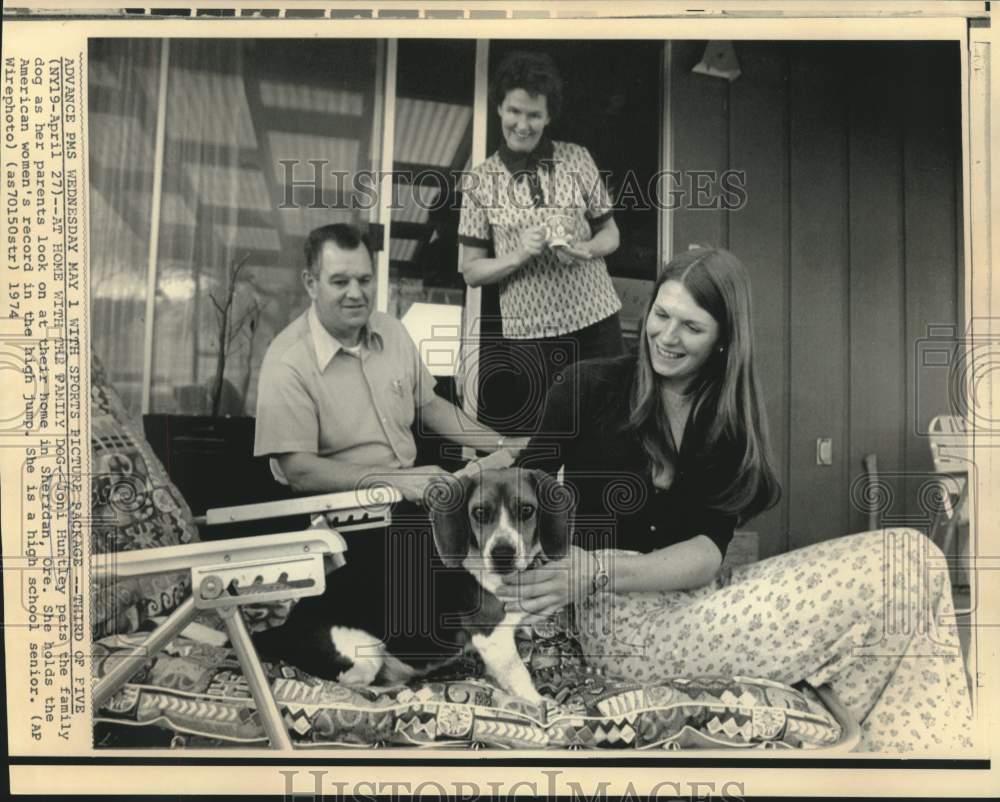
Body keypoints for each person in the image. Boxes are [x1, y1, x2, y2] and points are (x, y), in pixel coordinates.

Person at [506, 248, 973, 752]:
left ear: (725, 338)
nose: (666, 336)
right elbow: (514, 494)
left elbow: (708, 551)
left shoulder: (725, 421)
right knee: (908, 563)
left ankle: (904, 764)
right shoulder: (587, 386)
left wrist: (595, 568)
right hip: (623, 627)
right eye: (661, 315)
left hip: (691, 600)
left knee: (913, 561)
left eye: (691, 326)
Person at [254, 223, 523, 578]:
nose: (355, 293)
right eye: (340, 282)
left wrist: (505, 444)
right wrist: (397, 482)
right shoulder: (287, 360)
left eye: (364, 280)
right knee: (464, 581)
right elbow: (300, 471)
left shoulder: (392, 332)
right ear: (310, 284)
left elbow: (431, 407)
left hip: (411, 506)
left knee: (513, 550)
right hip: (339, 524)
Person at [459, 50, 624, 434]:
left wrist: (586, 250)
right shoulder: (479, 180)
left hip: (596, 320)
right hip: (529, 334)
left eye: (534, 114)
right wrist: (518, 254)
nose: (522, 124)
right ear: (499, 107)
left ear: (549, 116)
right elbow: (471, 270)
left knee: (612, 424)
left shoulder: (577, 159)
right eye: (514, 111)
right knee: (549, 434)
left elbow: (611, 234)